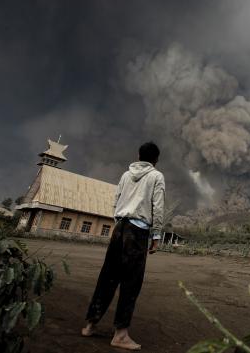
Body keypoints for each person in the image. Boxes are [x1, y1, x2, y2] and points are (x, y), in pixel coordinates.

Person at [81, 142, 165, 350]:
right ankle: (120, 334)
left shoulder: (126, 175)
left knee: (107, 277)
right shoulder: (156, 176)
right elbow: (158, 206)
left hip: (119, 229)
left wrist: (118, 223)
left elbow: (116, 200)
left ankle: (90, 325)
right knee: (131, 283)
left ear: (138, 156)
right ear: (156, 159)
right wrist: (156, 235)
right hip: (137, 232)